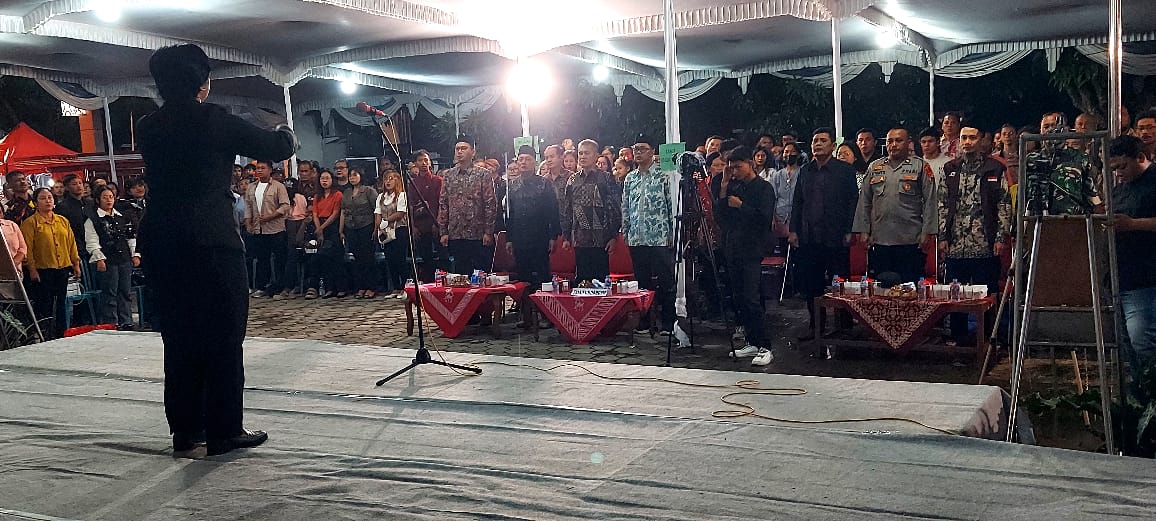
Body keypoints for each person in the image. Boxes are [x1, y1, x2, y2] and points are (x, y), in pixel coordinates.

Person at [137, 44, 296, 456]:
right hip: (211, 241)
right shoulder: (214, 120)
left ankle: (186, 431)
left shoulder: (148, 127)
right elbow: (278, 147)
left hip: (163, 241)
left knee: (179, 336)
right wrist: (285, 129)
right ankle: (224, 430)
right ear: (202, 83)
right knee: (224, 335)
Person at [937, 127, 1012, 345]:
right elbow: (941, 205)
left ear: (981, 140)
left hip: (985, 244)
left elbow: (1004, 204)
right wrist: (942, 237)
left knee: (987, 295)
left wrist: (1001, 237)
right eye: (964, 138)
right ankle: (959, 340)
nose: (967, 142)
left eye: (972, 138)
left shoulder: (994, 168)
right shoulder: (950, 168)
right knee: (956, 296)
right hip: (956, 245)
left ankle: (988, 339)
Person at [790, 128, 859, 340]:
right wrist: (793, 230)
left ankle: (844, 327)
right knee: (812, 284)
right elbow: (798, 202)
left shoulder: (844, 170)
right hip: (810, 237)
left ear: (832, 146)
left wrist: (850, 229)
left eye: (822, 140)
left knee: (840, 283)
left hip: (836, 236)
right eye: (815, 141)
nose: (818, 144)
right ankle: (816, 326)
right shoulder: (805, 170)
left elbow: (853, 202)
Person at [715, 146, 776, 366]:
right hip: (733, 247)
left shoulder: (764, 188)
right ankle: (751, 341)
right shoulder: (734, 186)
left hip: (752, 248)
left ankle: (765, 346)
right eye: (731, 168)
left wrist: (742, 206)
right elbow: (721, 216)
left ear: (750, 164)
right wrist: (723, 186)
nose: (734, 171)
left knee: (752, 298)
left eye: (738, 167)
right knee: (739, 297)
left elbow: (764, 219)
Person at [852, 128, 938, 284]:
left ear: (908, 143)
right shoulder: (874, 167)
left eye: (898, 141)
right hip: (880, 240)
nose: (893, 145)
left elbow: (930, 201)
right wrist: (863, 230)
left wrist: (928, 232)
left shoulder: (920, 166)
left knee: (909, 288)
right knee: (881, 288)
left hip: (910, 240)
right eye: (889, 141)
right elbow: (864, 200)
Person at [1107, 135, 1156, 389]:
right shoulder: (1120, 189)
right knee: (1127, 345)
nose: (1118, 173)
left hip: (1147, 278)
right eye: (1114, 168)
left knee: (1142, 341)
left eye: (1122, 166)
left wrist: (1133, 224)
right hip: (1121, 276)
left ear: (1140, 157)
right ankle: (1140, 398)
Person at [622, 135, 675, 334]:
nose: (638, 153)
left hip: (659, 236)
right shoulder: (630, 178)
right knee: (642, 282)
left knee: (665, 280)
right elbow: (625, 206)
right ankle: (645, 321)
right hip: (637, 237)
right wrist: (626, 230)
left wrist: (672, 232)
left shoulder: (664, 175)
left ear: (653, 151)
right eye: (635, 149)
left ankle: (668, 322)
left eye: (643, 149)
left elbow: (671, 205)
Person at [505, 145, 560, 323]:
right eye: (520, 159)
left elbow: (553, 211)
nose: (523, 162)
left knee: (543, 276)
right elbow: (509, 215)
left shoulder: (544, 184)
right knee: (523, 278)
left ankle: (547, 315)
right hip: (519, 238)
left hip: (540, 237)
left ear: (534, 162)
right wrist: (509, 239)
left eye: (527, 159)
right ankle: (526, 315)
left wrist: (553, 236)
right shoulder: (512, 185)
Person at [20, 187, 81, 339]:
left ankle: (61, 332)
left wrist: (75, 263)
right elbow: (28, 249)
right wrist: (32, 269)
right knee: (45, 304)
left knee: (61, 302)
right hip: (43, 270)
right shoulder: (30, 223)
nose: (47, 201)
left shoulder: (62, 221)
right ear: (35, 203)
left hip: (62, 267)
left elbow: (71, 243)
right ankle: (46, 334)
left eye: (50, 198)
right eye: (43, 198)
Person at [561, 139, 620, 282]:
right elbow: (567, 209)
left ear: (596, 156)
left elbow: (615, 208)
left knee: (600, 283)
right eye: (580, 153)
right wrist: (566, 236)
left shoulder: (606, 178)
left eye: (587, 153)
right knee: (582, 282)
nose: (582, 157)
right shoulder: (572, 180)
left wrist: (613, 236)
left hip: (602, 240)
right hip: (579, 239)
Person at [83, 185, 140, 330]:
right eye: (105, 197)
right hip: (108, 259)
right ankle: (111, 323)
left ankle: (126, 321)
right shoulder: (93, 219)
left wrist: (135, 254)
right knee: (110, 292)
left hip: (124, 258)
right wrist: (99, 258)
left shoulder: (121, 216)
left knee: (125, 291)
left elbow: (130, 237)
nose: (109, 200)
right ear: (98, 200)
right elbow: (92, 240)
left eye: (111, 197)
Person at [438, 137, 497, 273]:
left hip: (478, 233)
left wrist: (488, 232)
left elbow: (490, 204)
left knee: (480, 274)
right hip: (456, 233)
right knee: (460, 275)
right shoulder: (449, 175)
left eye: (463, 148)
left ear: (473, 152)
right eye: (457, 149)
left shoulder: (483, 174)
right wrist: (443, 232)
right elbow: (443, 204)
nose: (459, 152)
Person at [244, 159, 290, 298]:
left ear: (270, 170)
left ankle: (280, 285)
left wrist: (271, 216)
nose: (259, 170)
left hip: (275, 228)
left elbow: (285, 205)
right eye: (258, 168)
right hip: (258, 228)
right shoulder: (251, 187)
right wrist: (248, 223)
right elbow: (248, 206)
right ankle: (262, 286)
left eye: (262, 168)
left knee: (279, 258)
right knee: (261, 258)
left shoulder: (278, 186)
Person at [340, 167, 379, 299]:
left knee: (368, 257)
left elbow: (376, 210)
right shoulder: (346, 192)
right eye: (350, 175)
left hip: (366, 226)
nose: (352, 178)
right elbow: (343, 211)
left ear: (361, 176)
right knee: (357, 259)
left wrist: (376, 228)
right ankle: (361, 286)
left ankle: (371, 287)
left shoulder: (368, 191)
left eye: (355, 175)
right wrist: (341, 230)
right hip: (351, 227)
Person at [307, 170, 343, 299]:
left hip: (332, 226)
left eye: (327, 178)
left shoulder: (337, 194)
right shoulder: (317, 196)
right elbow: (315, 214)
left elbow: (335, 213)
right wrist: (319, 229)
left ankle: (339, 288)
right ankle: (328, 288)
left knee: (333, 258)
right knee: (321, 259)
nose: (324, 181)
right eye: (322, 178)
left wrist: (322, 227)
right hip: (319, 226)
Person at [407, 150, 442, 282]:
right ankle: (429, 284)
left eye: (426, 160)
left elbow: (442, 203)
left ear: (430, 162)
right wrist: (413, 226)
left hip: (436, 223)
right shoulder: (412, 183)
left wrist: (438, 222)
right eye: (420, 160)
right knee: (426, 258)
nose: (424, 163)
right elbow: (410, 206)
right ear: (415, 163)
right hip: (420, 226)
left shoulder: (437, 181)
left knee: (442, 256)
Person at [375, 170, 409, 299]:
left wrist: (386, 220)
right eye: (386, 179)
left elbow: (400, 213)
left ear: (397, 180)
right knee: (390, 260)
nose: (388, 181)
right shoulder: (381, 197)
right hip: (385, 232)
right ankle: (395, 287)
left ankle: (405, 287)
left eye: (391, 178)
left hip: (399, 230)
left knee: (400, 259)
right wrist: (379, 226)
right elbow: (377, 212)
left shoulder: (401, 195)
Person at [278, 177, 308, 298]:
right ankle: (287, 285)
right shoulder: (282, 198)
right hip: (286, 225)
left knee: (293, 255)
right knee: (287, 256)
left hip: (298, 224)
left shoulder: (300, 198)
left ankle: (293, 285)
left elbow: (304, 214)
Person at [55, 174, 95, 256]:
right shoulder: (62, 207)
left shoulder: (90, 203)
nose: (78, 186)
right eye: (74, 184)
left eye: (80, 183)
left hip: (93, 243)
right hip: (75, 246)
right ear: (67, 187)